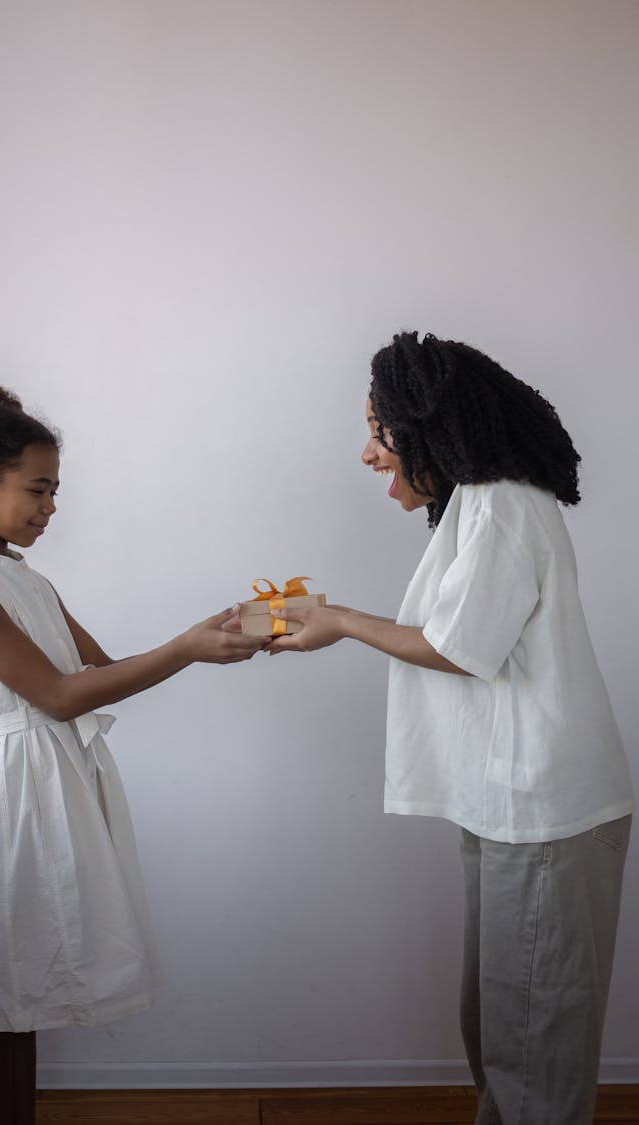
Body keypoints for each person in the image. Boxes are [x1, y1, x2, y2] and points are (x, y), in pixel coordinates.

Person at [268, 331, 634, 1125]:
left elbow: (459, 649)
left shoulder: (503, 504)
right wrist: (331, 616)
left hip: (545, 814)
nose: (369, 452)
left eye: (381, 429)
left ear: (429, 425)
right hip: (513, 807)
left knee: (530, 1052)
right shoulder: (478, 504)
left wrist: (339, 621)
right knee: (503, 1031)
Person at [0, 376, 264, 1125]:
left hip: (54, 788)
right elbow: (58, 694)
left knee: (27, 996)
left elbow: (97, 671)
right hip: (15, 801)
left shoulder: (21, 577)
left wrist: (205, 634)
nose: (50, 508)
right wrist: (185, 649)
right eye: (37, 490)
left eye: (55, 491)